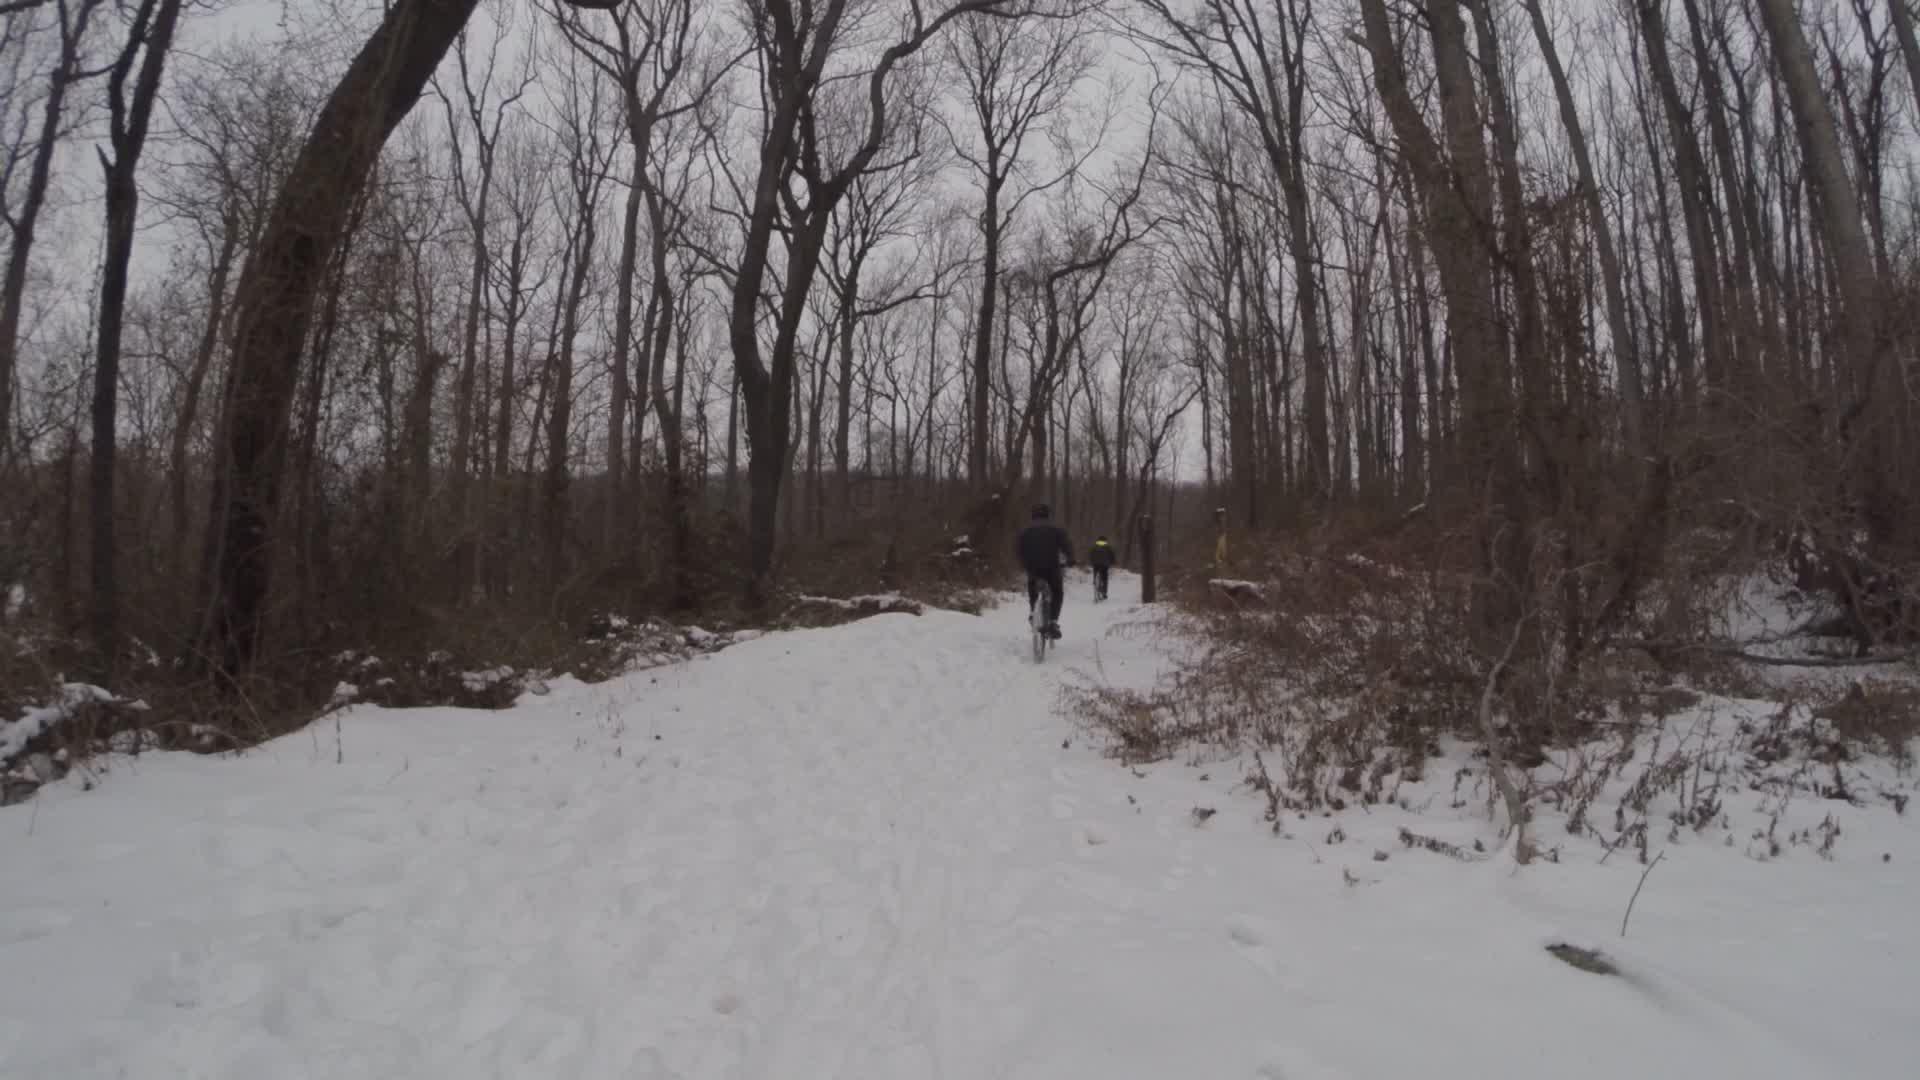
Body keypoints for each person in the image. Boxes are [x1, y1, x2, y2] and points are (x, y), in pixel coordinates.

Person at [1016, 503, 1074, 639]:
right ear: (1048, 515)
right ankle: (1053, 622)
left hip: (1033, 567)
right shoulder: (1057, 529)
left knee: (1032, 587)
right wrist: (1071, 559)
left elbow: (1019, 549)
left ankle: (1033, 612)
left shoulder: (1025, 531)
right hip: (1052, 566)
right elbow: (1067, 545)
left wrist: (1023, 563)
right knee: (1057, 591)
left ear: (1033, 515)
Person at [1088, 535, 1115, 600]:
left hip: (1095, 564)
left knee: (1095, 573)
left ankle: (1095, 582)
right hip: (1104, 565)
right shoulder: (1108, 547)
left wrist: (1091, 562)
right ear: (1105, 540)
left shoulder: (1094, 547)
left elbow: (1091, 555)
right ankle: (1104, 593)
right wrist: (1112, 562)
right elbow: (1112, 555)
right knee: (1105, 578)